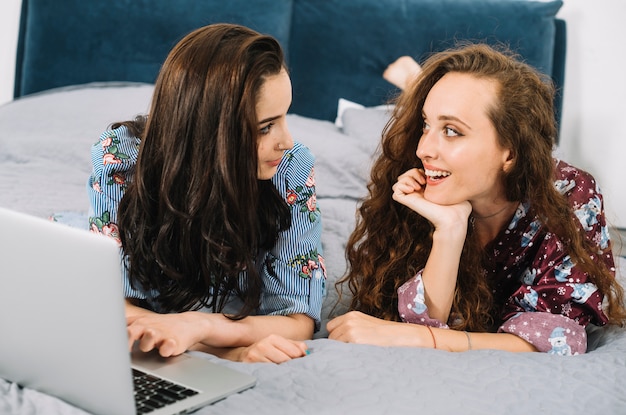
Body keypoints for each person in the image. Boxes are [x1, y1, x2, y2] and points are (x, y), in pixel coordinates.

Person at [327, 43, 626, 355]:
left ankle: (412, 79)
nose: (423, 149)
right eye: (426, 125)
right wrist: (450, 230)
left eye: (452, 131)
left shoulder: (570, 195)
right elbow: (413, 318)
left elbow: (559, 338)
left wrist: (423, 339)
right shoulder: (413, 187)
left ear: (509, 152)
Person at [87, 23, 326, 363]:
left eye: (284, 117)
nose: (285, 141)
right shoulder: (121, 158)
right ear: (210, 130)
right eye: (264, 127)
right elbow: (118, 307)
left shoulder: (291, 167)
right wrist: (233, 351)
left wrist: (198, 326)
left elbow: (297, 319)